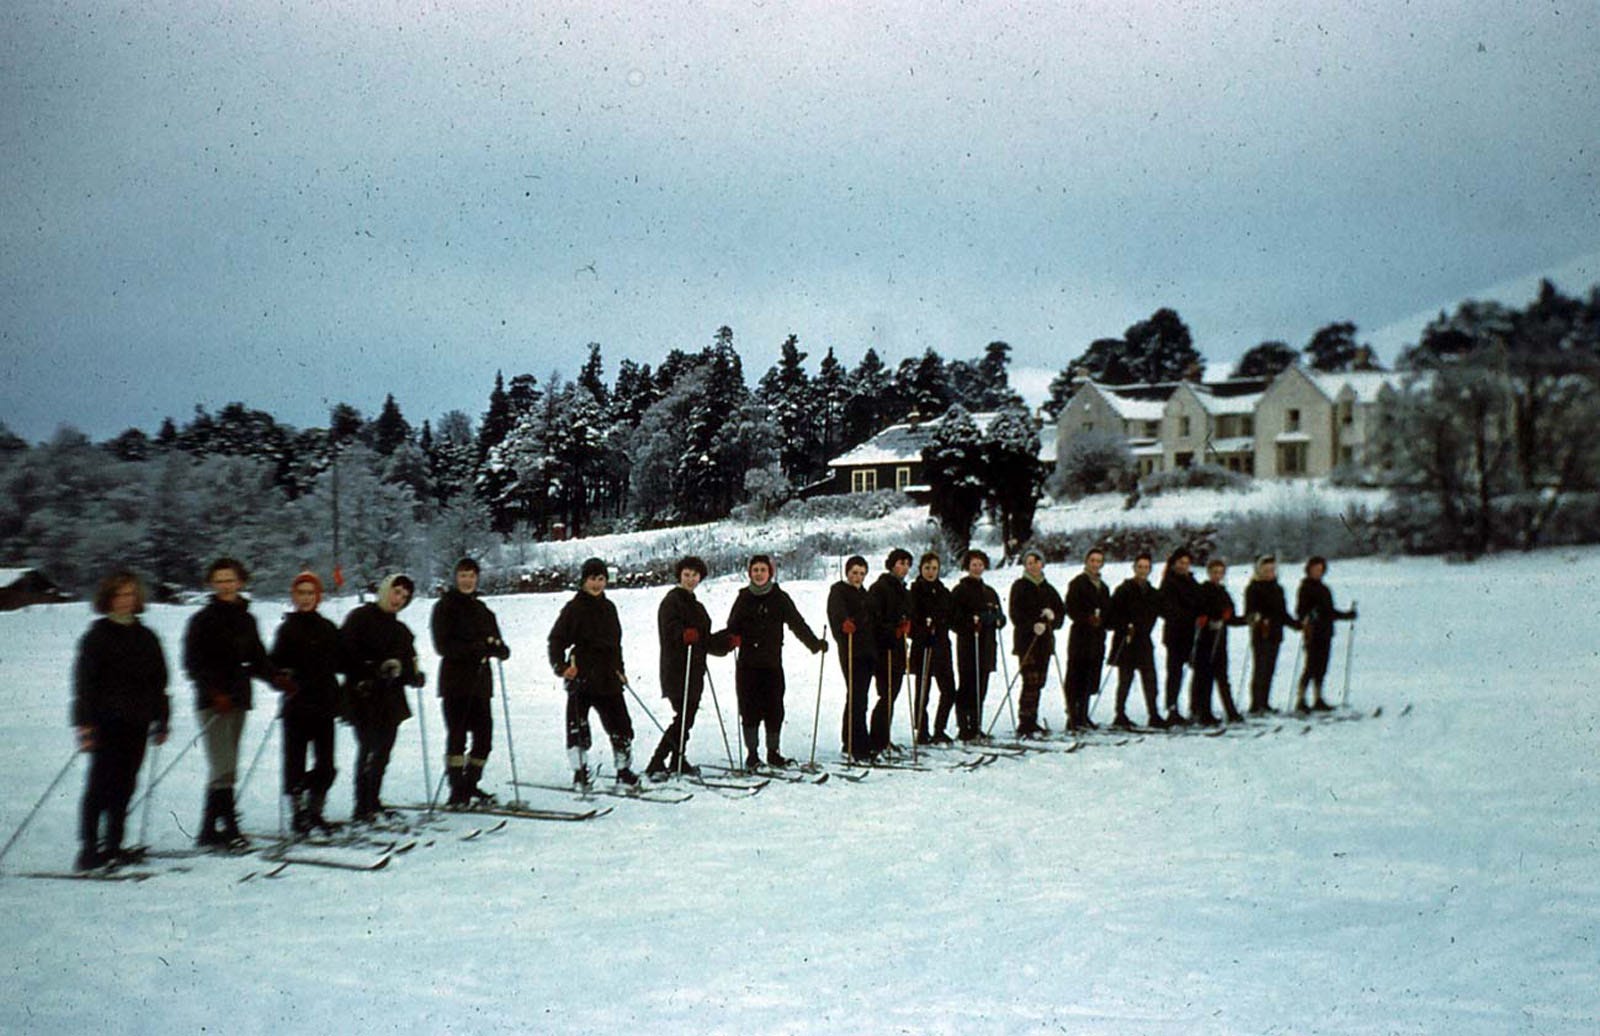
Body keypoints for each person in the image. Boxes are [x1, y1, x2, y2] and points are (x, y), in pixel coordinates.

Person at [72, 571, 170, 871]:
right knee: (100, 785)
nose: (124, 601)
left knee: (126, 785)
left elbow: (159, 682)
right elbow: (84, 684)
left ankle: (114, 844)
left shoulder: (146, 636)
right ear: (108, 599)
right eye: (118, 595)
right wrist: (85, 724)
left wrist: (162, 719)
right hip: (104, 722)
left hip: (137, 722)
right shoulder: (96, 636)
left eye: (129, 594)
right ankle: (89, 849)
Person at [183, 557, 279, 849]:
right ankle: (229, 827)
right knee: (222, 764)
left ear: (240, 582)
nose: (226, 586)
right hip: (213, 702)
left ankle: (209, 829)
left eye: (230, 580)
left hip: (238, 699)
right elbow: (192, 663)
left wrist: (278, 680)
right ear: (212, 584)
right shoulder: (202, 620)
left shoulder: (246, 618)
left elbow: (259, 659)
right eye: (220, 581)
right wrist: (213, 692)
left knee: (227, 767)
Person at [725, 554, 826, 769]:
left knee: (774, 710)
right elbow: (732, 627)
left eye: (763, 570)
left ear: (770, 572)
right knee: (749, 710)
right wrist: (728, 640)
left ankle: (774, 752)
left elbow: (796, 623)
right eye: (755, 570)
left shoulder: (779, 598)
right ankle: (752, 755)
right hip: (747, 665)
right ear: (749, 573)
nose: (759, 574)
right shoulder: (743, 598)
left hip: (771, 664)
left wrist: (814, 643)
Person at [340, 573, 423, 822]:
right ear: (386, 590)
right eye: (396, 592)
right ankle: (362, 805)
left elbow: (409, 662)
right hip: (363, 695)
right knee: (369, 748)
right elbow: (343, 654)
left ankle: (373, 801)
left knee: (383, 752)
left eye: (405, 597)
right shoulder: (360, 618)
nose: (399, 599)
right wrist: (373, 669)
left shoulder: (401, 630)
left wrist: (413, 677)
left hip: (390, 700)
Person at [548, 558, 636, 789]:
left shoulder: (609, 608)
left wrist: (620, 671)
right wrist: (562, 667)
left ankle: (623, 770)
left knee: (621, 725)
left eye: (600, 579)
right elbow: (556, 640)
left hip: (608, 675)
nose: (596, 584)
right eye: (592, 579)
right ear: (583, 581)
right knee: (578, 728)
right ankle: (580, 773)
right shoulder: (573, 608)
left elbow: (616, 644)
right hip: (582, 676)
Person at [431, 557, 511, 807]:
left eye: (472, 576)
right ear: (456, 577)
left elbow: (500, 645)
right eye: (463, 575)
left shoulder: (484, 610)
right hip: (455, 682)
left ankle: (470, 784)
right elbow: (442, 645)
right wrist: (477, 648)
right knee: (457, 736)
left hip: (480, 684)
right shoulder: (445, 606)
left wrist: (499, 649)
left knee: (484, 738)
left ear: (477, 579)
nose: (468, 580)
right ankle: (457, 790)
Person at [647, 556, 736, 779]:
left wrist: (727, 641)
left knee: (688, 716)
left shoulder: (698, 606)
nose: (690, 579)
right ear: (679, 575)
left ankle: (678, 759)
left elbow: (704, 641)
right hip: (677, 668)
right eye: (686, 574)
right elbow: (670, 629)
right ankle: (657, 762)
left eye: (695, 575)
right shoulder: (671, 601)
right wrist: (682, 634)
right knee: (684, 716)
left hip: (695, 669)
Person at [269, 571, 343, 834]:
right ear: (294, 597)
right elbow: (274, 663)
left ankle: (316, 811)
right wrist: (282, 677)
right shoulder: (287, 629)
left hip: (324, 704)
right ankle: (298, 813)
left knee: (326, 764)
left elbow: (343, 660)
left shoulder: (327, 628)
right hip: (297, 705)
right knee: (295, 762)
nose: (306, 598)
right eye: (301, 593)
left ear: (318, 597)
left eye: (311, 593)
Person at [949, 549, 1006, 741]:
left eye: (980, 565)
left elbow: (1000, 616)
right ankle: (963, 726)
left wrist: (997, 619)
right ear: (967, 566)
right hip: (968, 644)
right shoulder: (960, 590)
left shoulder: (989, 591)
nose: (977, 568)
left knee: (982, 686)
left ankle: (976, 725)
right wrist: (970, 622)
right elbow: (954, 619)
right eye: (974, 564)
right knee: (967, 685)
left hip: (987, 645)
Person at [1008, 548, 1064, 738]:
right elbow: (1015, 613)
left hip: (1045, 643)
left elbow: (1060, 612)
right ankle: (1025, 721)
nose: (1032, 565)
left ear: (1042, 564)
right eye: (1029, 562)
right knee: (1030, 680)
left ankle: (1033, 719)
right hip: (1027, 642)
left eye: (1036, 562)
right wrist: (1032, 625)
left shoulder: (1048, 588)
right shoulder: (1020, 586)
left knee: (1039, 681)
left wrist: (1053, 618)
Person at [827, 555, 877, 762]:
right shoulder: (839, 591)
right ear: (847, 572)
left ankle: (851, 740)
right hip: (850, 649)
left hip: (867, 651)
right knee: (857, 697)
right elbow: (836, 614)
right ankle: (858, 746)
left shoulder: (865, 594)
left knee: (859, 697)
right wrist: (843, 625)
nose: (858, 577)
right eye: (854, 573)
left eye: (862, 574)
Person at [1293, 556, 1357, 713]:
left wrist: (1346, 615)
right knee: (1310, 666)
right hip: (1312, 632)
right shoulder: (1305, 587)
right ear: (1309, 570)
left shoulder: (1324, 589)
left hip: (1326, 631)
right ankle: (1301, 699)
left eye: (1320, 570)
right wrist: (1309, 615)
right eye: (1315, 569)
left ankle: (1318, 697)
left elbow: (1329, 611)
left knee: (1322, 667)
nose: (1318, 572)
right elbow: (1300, 611)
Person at [1109, 553, 1165, 730]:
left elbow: (1161, 612)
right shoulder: (1123, 589)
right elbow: (1111, 615)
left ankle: (1154, 714)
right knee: (1125, 680)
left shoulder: (1153, 592)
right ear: (1134, 568)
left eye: (1146, 567)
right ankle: (1120, 714)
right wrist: (1125, 625)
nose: (1143, 570)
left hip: (1143, 641)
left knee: (1150, 679)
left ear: (1150, 570)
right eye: (1140, 567)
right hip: (1126, 640)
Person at [907, 552, 957, 744]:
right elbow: (911, 619)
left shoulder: (944, 592)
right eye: (927, 568)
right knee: (923, 692)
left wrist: (941, 622)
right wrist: (922, 630)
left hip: (942, 647)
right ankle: (922, 731)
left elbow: (952, 616)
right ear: (921, 569)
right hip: (923, 646)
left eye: (934, 568)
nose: (931, 572)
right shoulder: (915, 591)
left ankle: (939, 729)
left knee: (949, 691)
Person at [867, 549, 913, 755]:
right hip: (883, 649)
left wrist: (907, 626)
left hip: (898, 649)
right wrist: (893, 630)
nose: (904, 567)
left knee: (892, 695)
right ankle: (877, 741)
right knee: (885, 695)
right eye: (900, 563)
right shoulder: (880, 588)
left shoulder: (903, 589)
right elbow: (874, 620)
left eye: (907, 564)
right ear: (891, 564)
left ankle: (884, 739)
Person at [1191, 558, 1247, 725]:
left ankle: (1231, 711)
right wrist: (1209, 619)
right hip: (1205, 640)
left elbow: (1230, 615)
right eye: (1214, 572)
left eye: (1220, 573)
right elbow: (1200, 611)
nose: (1217, 575)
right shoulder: (1202, 590)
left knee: (1223, 677)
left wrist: (1243, 619)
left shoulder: (1223, 592)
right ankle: (1203, 712)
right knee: (1204, 677)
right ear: (1209, 573)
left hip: (1220, 640)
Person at [1244, 554, 1300, 714]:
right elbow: (1249, 612)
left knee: (1269, 669)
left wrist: (1297, 625)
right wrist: (1257, 618)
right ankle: (1256, 704)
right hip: (1261, 633)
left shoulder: (1278, 588)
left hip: (1275, 633)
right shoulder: (1253, 588)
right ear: (1259, 570)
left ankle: (1265, 702)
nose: (1269, 572)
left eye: (1272, 570)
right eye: (1266, 569)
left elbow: (1282, 613)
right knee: (1260, 669)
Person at [1063, 547, 1111, 731]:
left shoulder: (1103, 587)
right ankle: (1073, 716)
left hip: (1097, 637)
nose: (1095, 564)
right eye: (1092, 560)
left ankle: (1083, 714)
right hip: (1081, 636)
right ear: (1086, 562)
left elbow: (1108, 610)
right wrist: (1086, 618)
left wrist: (1103, 620)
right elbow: (1071, 608)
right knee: (1076, 676)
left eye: (1099, 561)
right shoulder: (1078, 583)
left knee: (1091, 677)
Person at [1158, 548, 1203, 727]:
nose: (1184, 566)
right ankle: (1172, 709)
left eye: (1186, 563)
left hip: (1192, 634)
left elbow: (1201, 601)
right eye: (1181, 563)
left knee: (1197, 671)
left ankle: (1195, 707)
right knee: (1175, 673)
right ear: (1174, 564)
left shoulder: (1191, 580)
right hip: (1176, 635)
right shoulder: (1168, 582)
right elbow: (1167, 609)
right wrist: (1190, 615)